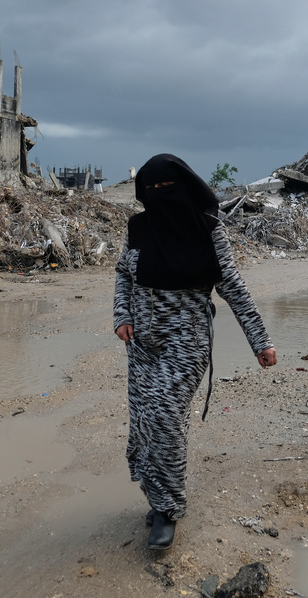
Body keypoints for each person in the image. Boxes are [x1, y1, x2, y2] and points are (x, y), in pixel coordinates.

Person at [114, 153, 277, 550]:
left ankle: (168, 510)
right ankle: (156, 496)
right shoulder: (138, 227)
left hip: (186, 342)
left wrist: (261, 341)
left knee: (165, 416)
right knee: (144, 423)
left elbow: (233, 287)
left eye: (166, 188)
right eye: (150, 190)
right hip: (142, 345)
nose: (158, 196)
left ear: (184, 188)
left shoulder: (209, 231)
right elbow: (123, 272)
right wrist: (121, 314)